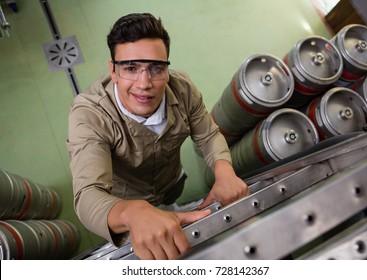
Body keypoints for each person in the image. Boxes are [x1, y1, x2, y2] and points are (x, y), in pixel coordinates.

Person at [67, 13, 248, 260]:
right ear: (114, 70)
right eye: (131, 68)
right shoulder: (89, 114)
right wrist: (133, 213)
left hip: (170, 179)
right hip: (126, 200)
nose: (144, 83)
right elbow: (88, 195)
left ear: (166, 68)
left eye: (155, 68)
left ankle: (170, 206)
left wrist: (224, 170)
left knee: (172, 199)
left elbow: (208, 135)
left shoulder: (182, 88)